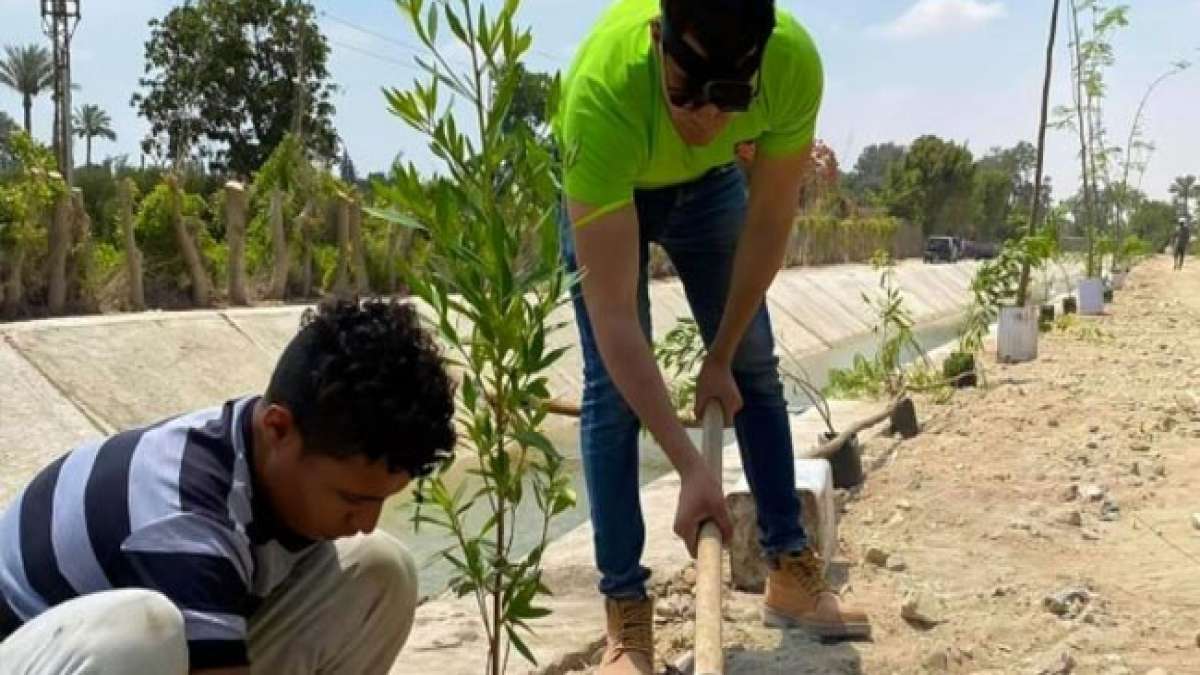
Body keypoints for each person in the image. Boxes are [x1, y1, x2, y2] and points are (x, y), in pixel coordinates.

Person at [554, 0, 871, 671]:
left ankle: (788, 564)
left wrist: (721, 355)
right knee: (610, 394)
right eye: (684, 95)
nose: (704, 121)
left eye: (727, 101)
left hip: (709, 189)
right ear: (656, 39)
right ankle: (627, 619)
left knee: (756, 364)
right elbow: (615, 318)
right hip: (616, 184)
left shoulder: (791, 65)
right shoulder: (601, 97)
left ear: (758, 63)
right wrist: (691, 465)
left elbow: (768, 224)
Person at [0, 299, 457, 674]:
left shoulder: (268, 452)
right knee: (139, 634)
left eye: (381, 500)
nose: (365, 521)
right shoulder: (184, 514)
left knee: (379, 569)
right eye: (352, 499)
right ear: (278, 429)